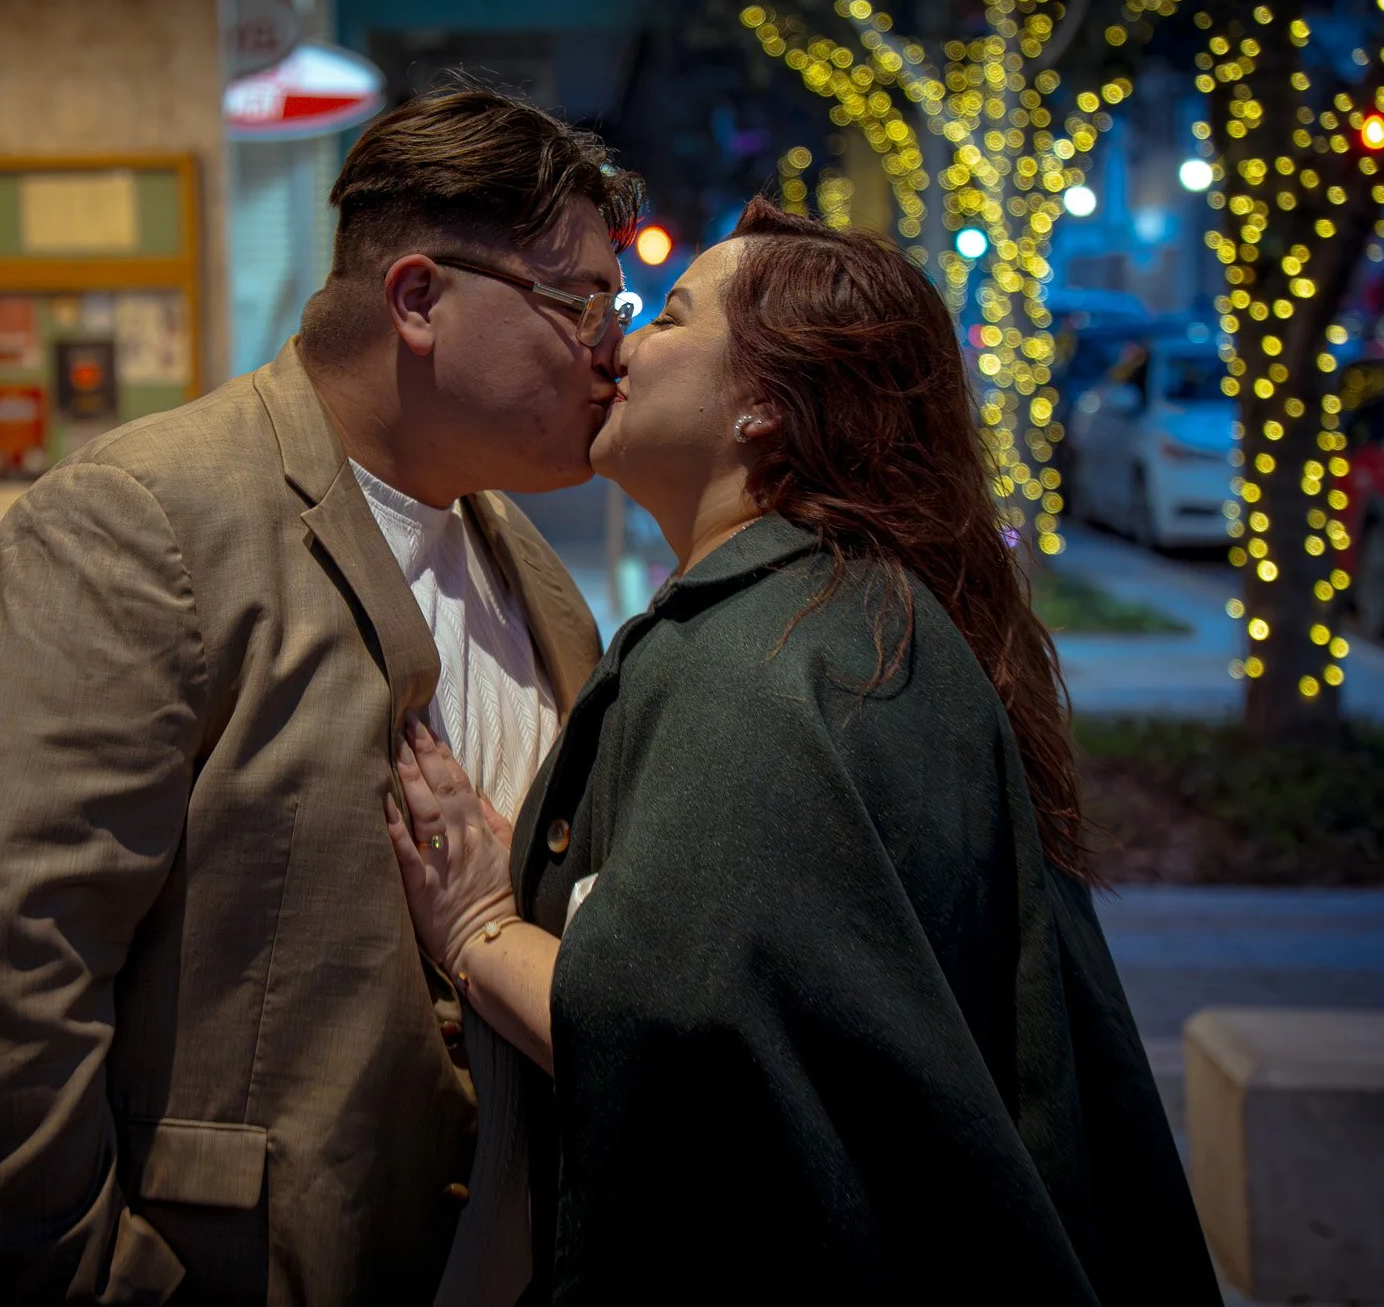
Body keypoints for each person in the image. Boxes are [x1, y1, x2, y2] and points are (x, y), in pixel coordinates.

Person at [0, 88, 644, 1306]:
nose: (612, 344)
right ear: (419, 299)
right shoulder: (146, 518)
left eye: (618, 307)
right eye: (576, 301)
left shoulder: (534, 578)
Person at [386, 200, 1224, 1303]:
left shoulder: (757, 661)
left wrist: (477, 926)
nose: (621, 346)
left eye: (671, 317)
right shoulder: (855, 614)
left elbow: (677, 1039)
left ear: (762, 412)